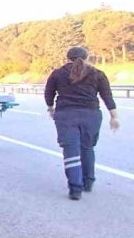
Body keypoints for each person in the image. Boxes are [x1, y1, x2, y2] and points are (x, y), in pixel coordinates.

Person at [45, 46, 120, 200]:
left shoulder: (57, 73)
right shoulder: (97, 73)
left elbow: (48, 93)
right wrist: (114, 116)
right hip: (91, 115)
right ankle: (88, 182)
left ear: (67, 58)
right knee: (87, 148)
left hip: (66, 115)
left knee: (71, 150)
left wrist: (51, 108)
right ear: (87, 57)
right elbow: (107, 96)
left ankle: (75, 189)